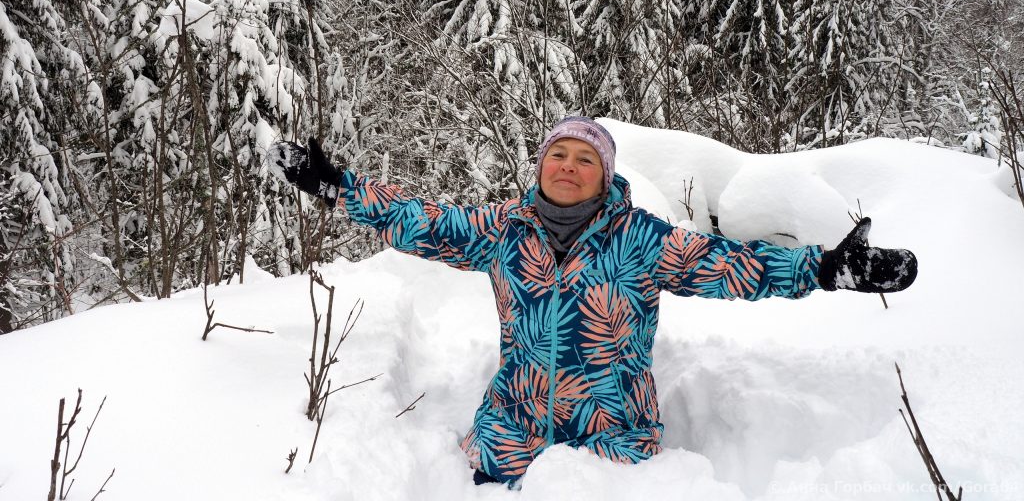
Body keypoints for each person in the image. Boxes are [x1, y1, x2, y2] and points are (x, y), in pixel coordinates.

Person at [268, 117, 917, 487]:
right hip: (511, 432)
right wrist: (338, 187)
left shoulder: (639, 239)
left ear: (605, 175)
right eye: (558, 154)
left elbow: (729, 265)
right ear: (540, 166)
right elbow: (420, 220)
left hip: (616, 444)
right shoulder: (503, 230)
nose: (568, 166)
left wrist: (825, 268)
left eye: (585, 158)